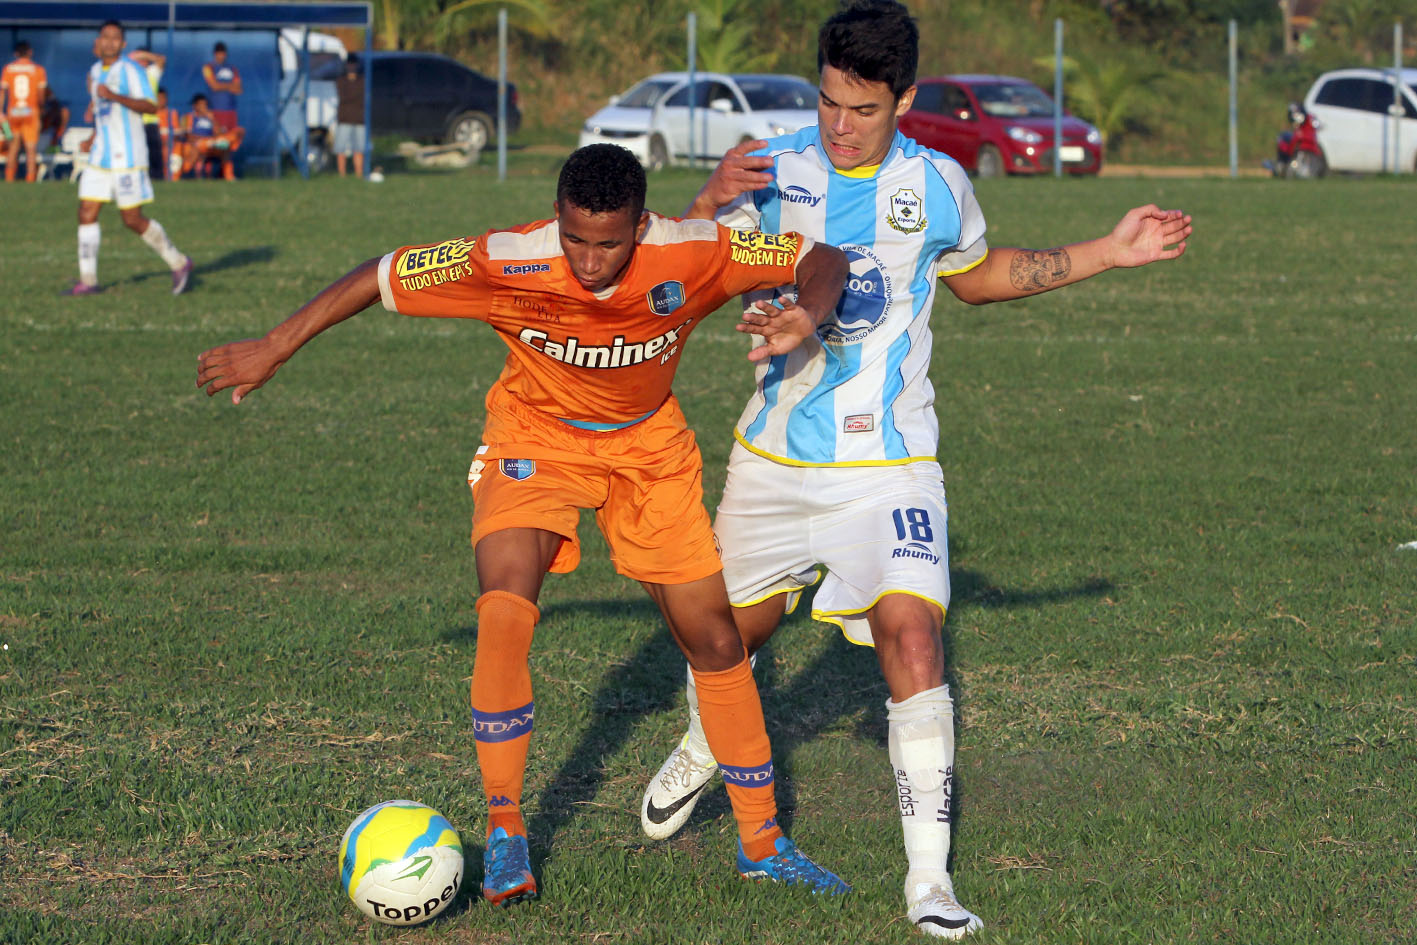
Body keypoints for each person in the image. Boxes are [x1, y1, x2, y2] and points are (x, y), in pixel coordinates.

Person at [636, 1, 1193, 939]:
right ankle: (706, 736)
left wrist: (1108, 249)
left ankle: (928, 886)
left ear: (905, 100)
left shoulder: (939, 183)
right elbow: (671, 273)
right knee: (720, 641)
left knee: (914, 642)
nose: (837, 125)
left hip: (890, 465)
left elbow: (973, 277)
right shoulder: (771, 166)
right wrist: (703, 202)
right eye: (825, 103)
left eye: (860, 108)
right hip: (770, 459)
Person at [196, 143, 854, 907]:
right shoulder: (505, 259)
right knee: (505, 604)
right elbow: (380, 274)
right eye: (574, 237)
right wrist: (274, 345)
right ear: (558, 219)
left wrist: (808, 310)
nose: (589, 258)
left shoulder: (694, 249)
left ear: (640, 225)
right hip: (532, 439)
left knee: (712, 638)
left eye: (608, 242)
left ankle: (762, 842)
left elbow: (819, 253)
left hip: (648, 451)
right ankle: (506, 828)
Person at [66, 20, 192, 296]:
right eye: (105, 37)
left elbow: (150, 105)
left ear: (123, 44)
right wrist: (92, 136)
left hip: (128, 157)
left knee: (132, 219)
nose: (109, 42)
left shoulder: (132, 70)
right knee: (86, 211)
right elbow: (103, 113)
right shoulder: (96, 71)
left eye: (115, 38)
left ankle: (179, 262)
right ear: (98, 41)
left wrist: (114, 95)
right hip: (100, 156)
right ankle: (88, 281)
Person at [2, 40, 48, 183]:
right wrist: (41, 109)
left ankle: (9, 178)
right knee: (30, 148)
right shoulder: (38, 70)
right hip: (31, 113)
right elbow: (41, 94)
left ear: (16, 53)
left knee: (13, 146)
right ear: (30, 52)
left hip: (13, 112)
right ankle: (30, 178)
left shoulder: (8, 69)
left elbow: (2, 91)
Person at [181, 92, 244, 180]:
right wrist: (204, 140)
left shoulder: (211, 117)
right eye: (201, 105)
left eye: (205, 105)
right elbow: (187, 135)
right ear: (195, 106)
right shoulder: (187, 117)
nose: (203, 107)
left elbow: (219, 134)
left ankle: (229, 176)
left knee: (226, 148)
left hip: (212, 145)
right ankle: (184, 174)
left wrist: (212, 119)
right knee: (199, 148)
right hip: (197, 145)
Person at [131, 47, 165, 180]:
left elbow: (161, 60)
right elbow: (126, 59)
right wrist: (138, 55)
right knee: (137, 153)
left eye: (144, 60)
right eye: (139, 59)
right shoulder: (130, 74)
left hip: (150, 120)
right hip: (134, 120)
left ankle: (157, 178)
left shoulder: (151, 72)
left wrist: (145, 55)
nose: (141, 62)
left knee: (154, 153)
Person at [333, 57, 365, 177]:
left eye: (354, 64)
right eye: (349, 65)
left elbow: (360, 96)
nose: (352, 67)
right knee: (340, 147)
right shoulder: (341, 81)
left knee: (359, 148)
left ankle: (359, 173)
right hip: (345, 118)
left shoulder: (363, 80)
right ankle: (342, 173)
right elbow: (345, 96)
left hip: (360, 119)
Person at [202, 41, 242, 133]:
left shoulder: (233, 69)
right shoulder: (208, 67)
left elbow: (239, 89)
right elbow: (214, 86)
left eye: (223, 54)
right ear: (215, 54)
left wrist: (221, 85)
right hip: (216, 109)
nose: (221, 56)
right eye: (219, 54)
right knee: (219, 137)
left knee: (231, 137)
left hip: (231, 110)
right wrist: (230, 86)